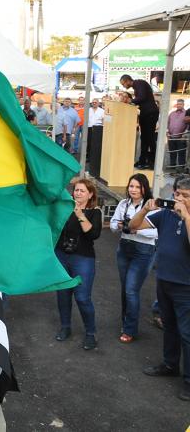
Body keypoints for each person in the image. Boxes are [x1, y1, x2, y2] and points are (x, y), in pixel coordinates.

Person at [129, 175, 190, 401]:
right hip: (164, 281)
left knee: (188, 334)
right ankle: (170, 364)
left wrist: (186, 217)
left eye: (186, 196)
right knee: (170, 328)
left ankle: (189, 381)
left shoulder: (185, 216)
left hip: (186, 286)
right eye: (177, 194)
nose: (180, 199)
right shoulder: (166, 214)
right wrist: (145, 209)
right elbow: (133, 227)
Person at [54, 179, 102, 350]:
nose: (78, 193)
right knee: (63, 295)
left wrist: (80, 213)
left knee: (82, 297)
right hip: (61, 255)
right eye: (76, 190)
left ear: (90, 194)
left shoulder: (94, 212)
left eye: (82, 191)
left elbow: (93, 234)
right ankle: (65, 327)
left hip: (83, 259)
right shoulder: (65, 208)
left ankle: (91, 333)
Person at [109, 174, 157, 343]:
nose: (134, 190)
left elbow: (157, 232)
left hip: (143, 251)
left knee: (131, 290)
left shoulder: (153, 206)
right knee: (125, 289)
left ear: (145, 188)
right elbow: (113, 226)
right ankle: (126, 322)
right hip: (124, 248)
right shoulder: (123, 204)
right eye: (131, 186)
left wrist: (137, 230)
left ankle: (130, 329)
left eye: (138, 187)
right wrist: (120, 225)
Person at [120, 74, 159, 169]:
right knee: (144, 138)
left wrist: (131, 101)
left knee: (149, 138)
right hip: (145, 114)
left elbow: (142, 97)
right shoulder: (136, 86)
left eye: (123, 84)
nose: (123, 86)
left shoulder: (139, 83)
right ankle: (142, 160)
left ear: (127, 81)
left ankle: (153, 162)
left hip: (150, 114)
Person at [168, 99, 188, 168]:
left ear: (183, 105)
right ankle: (172, 167)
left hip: (181, 137)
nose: (179, 105)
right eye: (178, 104)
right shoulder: (172, 113)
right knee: (172, 153)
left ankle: (181, 168)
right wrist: (167, 132)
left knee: (181, 153)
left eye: (180, 104)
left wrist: (185, 134)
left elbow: (188, 125)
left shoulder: (186, 113)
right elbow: (167, 123)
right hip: (171, 136)